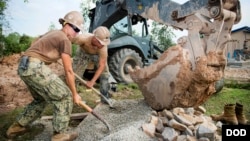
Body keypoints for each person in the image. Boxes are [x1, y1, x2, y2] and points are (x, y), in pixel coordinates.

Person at [6, 11, 84, 141]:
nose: (76, 33)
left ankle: (16, 128)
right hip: (34, 66)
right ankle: (60, 134)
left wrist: (44, 54)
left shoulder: (53, 33)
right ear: (66, 24)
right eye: (75, 28)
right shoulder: (65, 40)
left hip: (23, 65)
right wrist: (75, 94)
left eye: (78, 31)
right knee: (65, 96)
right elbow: (69, 71)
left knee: (40, 99)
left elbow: (37, 41)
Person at [72, 26, 112, 103]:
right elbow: (66, 41)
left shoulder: (103, 48)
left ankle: (104, 99)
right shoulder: (82, 38)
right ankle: (73, 97)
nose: (102, 45)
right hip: (82, 53)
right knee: (74, 75)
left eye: (104, 44)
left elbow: (102, 65)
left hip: (97, 55)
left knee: (105, 74)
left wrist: (92, 81)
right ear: (94, 38)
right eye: (100, 43)